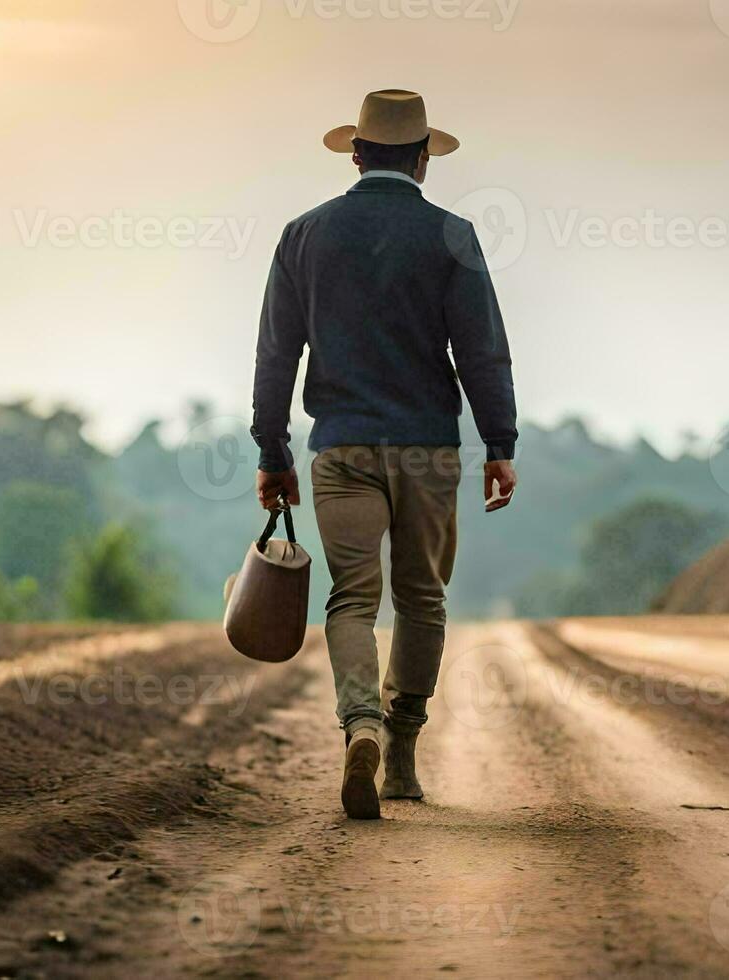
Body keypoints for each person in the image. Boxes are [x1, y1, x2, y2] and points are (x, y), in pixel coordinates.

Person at [250, 89, 518, 820]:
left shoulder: (304, 235)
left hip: (342, 449)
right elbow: (482, 352)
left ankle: (359, 724)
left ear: (359, 153)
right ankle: (400, 753)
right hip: (428, 447)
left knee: (352, 599)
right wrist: (500, 443)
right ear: (424, 159)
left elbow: (278, 354)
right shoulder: (453, 235)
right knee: (422, 599)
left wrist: (272, 450)